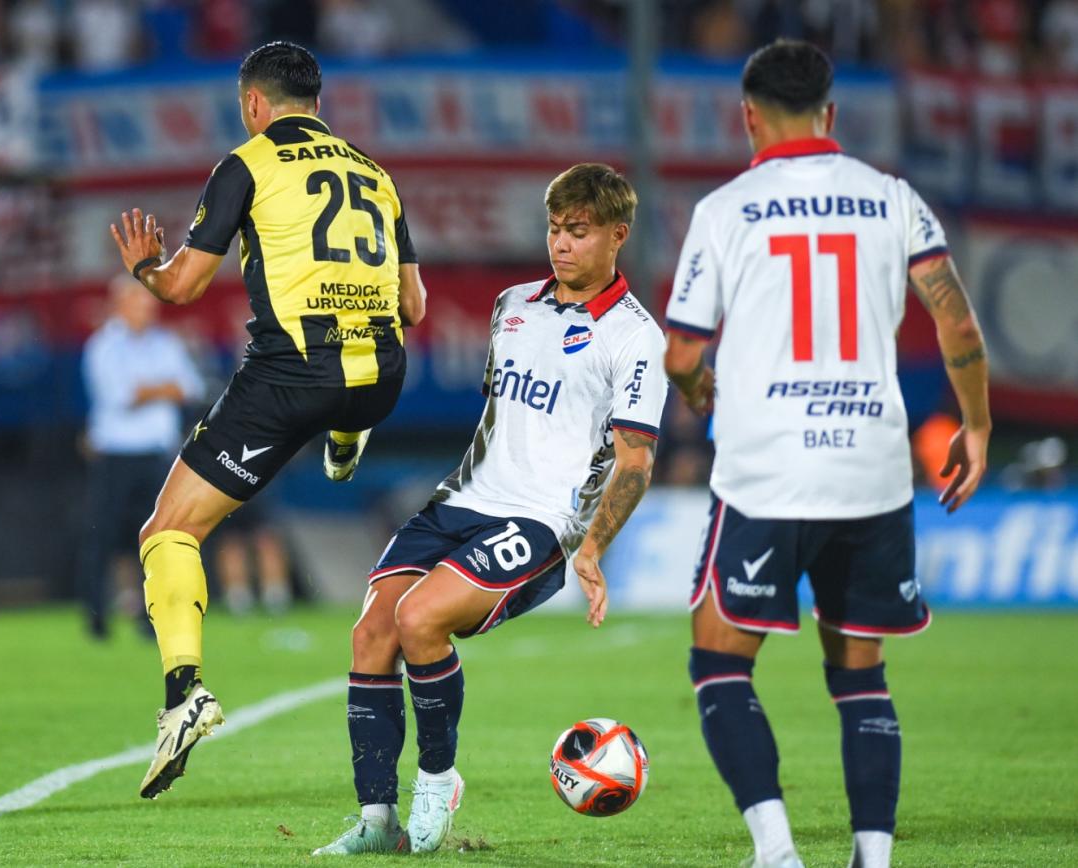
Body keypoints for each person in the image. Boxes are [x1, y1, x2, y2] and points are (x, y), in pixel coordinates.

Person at [663, 40, 991, 868]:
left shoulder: (726, 209)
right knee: (859, 672)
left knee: (719, 661)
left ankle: (777, 853)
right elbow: (955, 322)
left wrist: (701, 390)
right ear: (831, 116)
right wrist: (977, 425)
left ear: (748, 118)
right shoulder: (893, 199)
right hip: (873, 471)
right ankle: (872, 857)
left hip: (769, 468)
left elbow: (679, 353)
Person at [312, 163, 667, 856]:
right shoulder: (513, 306)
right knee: (371, 633)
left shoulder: (634, 337)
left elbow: (635, 459)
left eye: (579, 232)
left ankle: (438, 781)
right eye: (555, 229)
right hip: (463, 500)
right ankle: (377, 823)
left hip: (540, 521)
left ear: (618, 236)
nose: (561, 244)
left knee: (420, 620)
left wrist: (591, 545)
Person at [108, 40, 427, 800]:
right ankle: (348, 437)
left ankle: (183, 694)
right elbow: (414, 308)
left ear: (255, 104)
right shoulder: (376, 174)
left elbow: (183, 286)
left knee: (169, 531)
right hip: (383, 374)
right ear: (316, 103)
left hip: (294, 379)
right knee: (352, 391)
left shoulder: (246, 162)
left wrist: (142, 269)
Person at [77, 274, 205, 639]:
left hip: (155, 455)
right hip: (114, 454)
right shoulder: (102, 346)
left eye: (149, 304)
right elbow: (121, 397)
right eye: (138, 303)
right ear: (120, 305)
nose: (146, 311)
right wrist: (164, 387)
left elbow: (190, 388)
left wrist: (152, 389)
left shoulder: (164, 343)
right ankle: (96, 617)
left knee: (158, 539)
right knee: (102, 537)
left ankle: (153, 619)